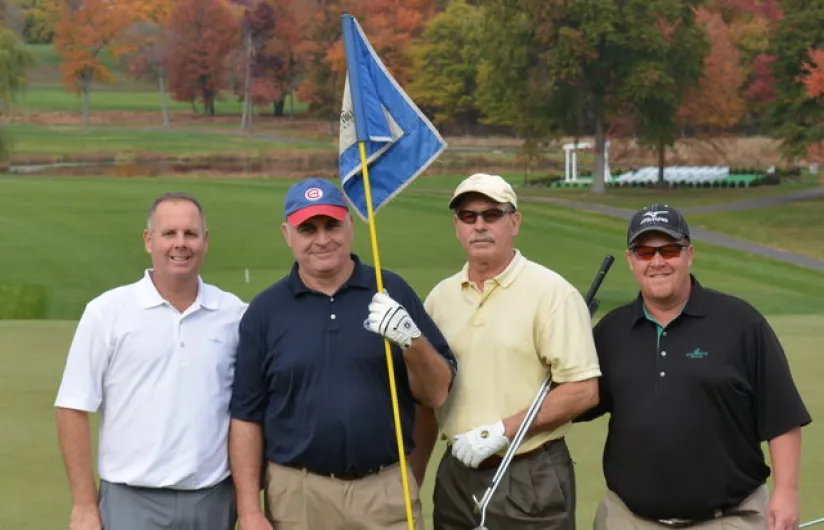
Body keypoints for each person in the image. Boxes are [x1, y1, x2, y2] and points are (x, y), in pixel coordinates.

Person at [228, 177, 458, 530]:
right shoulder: (264, 312)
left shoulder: (390, 290)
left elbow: (436, 393)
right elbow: (246, 417)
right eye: (308, 229)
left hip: (384, 488)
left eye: (332, 225)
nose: (323, 239)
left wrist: (413, 342)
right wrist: (249, 511)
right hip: (297, 495)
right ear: (287, 234)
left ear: (350, 224)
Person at [578, 203, 812, 530]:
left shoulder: (741, 323)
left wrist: (786, 493)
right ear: (631, 261)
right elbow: (576, 401)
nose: (657, 262)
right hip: (628, 519)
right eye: (645, 252)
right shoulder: (611, 331)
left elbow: (782, 417)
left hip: (729, 518)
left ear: (689, 254)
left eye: (669, 250)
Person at [54, 192, 248, 530]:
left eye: (190, 233)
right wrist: (84, 504)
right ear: (149, 240)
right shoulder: (107, 312)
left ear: (205, 240)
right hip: (131, 501)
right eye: (168, 233)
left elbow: (248, 413)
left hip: (213, 500)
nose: (180, 243)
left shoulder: (234, 314)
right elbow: (72, 407)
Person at [420, 173, 602, 530]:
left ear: (514, 222)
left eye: (492, 214)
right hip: (456, 470)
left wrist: (501, 431)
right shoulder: (439, 298)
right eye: (469, 217)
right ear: (457, 226)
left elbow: (583, 390)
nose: (480, 225)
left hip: (529, 471)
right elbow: (427, 392)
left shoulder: (551, 293)